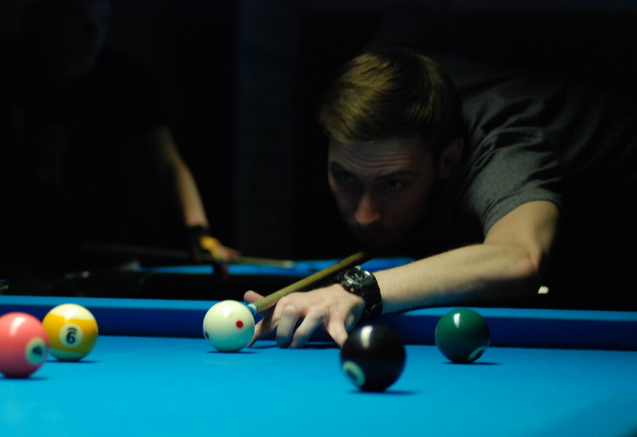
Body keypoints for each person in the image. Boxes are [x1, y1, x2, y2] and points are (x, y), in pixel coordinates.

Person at [245, 0, 637, 348]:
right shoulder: (384, 67)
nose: (365, 215)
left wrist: (355, 289)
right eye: (345, 177)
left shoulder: (505, 145)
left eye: (393, 184)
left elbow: (519, 259)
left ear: (448, 160)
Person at [0, 0, 235, 293]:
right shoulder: (6, 67)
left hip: (109, 258)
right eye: (80, 21)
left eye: (103, 22)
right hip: (19, 258)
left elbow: (168, 164)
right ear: (48, 19)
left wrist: (198, 231)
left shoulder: (125, 78)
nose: (94, 34)